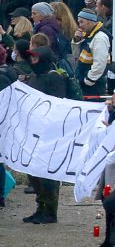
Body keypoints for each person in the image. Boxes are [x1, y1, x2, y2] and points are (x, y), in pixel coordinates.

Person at [22, 46, 69, 224]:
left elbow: (59, 104)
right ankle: (40, 207)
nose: (33, 62)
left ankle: (50, 211)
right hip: (34, 131)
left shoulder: (54, 77)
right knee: (33, 173)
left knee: (47, 175)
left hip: (49, 134)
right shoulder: (35, 77)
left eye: (35, 58)